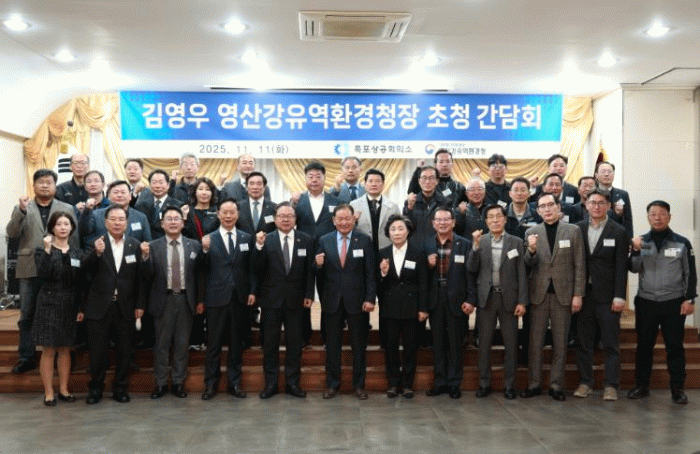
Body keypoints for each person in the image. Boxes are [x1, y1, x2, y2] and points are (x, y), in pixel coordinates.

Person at [6, 169, 78, 374]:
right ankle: (26, 356)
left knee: (62, 310)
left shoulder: (66, 208)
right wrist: (21, 211)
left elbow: (74, 238)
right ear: (34, 185)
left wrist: (73, 265)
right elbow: (12, 233)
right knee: (27, 314)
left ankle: (64, 353)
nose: (45, 185)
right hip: (30, 267)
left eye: (49, 182)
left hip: (59, 269)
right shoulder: (22, 207)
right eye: (41, 182)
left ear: (55, 186)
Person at [628, 200, 696, 405]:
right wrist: (635, 250)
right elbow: (633, 268)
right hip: (646, 302)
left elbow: (690, 274)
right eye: (653, 214)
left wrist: (689, 299)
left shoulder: (682, 243)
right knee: (644, 346)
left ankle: (677, 389)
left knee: (674, 347)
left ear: (669, 216)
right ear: (648, 217)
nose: (657, 217)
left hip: (673, 302)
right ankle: (642, 386)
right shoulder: (642, 242)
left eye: (662, 213)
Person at [521, 193, 585, 401]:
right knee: (535, 344)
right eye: (542, 206)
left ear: (558, 207)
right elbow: (526, 265)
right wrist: (531, 250)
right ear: (538, 211)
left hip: (563, 296)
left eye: (550, 205)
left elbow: (580, 265)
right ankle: (534, 384)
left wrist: (578, 294)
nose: (547, 209)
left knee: (560, 343)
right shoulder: (531, 232)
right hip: (538, 296)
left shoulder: (573, 231)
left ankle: (556, 385)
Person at [81, 205, 145, 404]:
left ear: (127, 223)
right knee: (98, 352)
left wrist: (140, 304)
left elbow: (141, 279)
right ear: (106, 222)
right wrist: (96, 253)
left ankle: (120, 388)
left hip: (126, 307)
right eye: (113, 219)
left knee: (125, 352)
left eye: (121, 219)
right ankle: (95, 389)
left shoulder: (135, 245)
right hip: (99, 306)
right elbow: (84, 270)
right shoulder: (95, 243)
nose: (117, 223)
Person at [251, 202, 315, 399]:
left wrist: (309, 294)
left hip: (296, 301)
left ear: (295, 219)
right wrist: (258, 247)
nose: (286, 219)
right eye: (282, 216)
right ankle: (270, 384)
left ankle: (292, 384)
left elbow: (310, 271)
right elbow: (256, 269)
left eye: (290, 216)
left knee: (294, 345)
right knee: (270, 344)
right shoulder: (266, 240)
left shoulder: (306, 239)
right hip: (271, 301)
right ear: (275, 219)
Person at [141, 206, 204, 400]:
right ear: (162, 224)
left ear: (183, 223)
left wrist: (200, 300)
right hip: (163, 300)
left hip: (186, 299)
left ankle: (178, 382)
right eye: (169, 219)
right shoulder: (152, 246)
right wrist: (145, 258)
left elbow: (200, 275)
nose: (173, 222)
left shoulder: (194, 245)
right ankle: (160, 383)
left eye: (177, 218)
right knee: (161, 344)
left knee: (182, 344)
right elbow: (146, 276)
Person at [573, 189, 629, 401]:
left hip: (608, 297)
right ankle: (585, 382)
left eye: (601, 203)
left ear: (608, 206)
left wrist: (619, 296)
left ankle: (611, 385)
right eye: (592, 202)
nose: (596, 206)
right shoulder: (577, 229)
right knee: (584, 343)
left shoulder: (619, 231)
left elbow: (621, 266)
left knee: (610, 343)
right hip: (583, 295)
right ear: (586, 205)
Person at [315, 204, 376, 399]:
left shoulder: (364, 240)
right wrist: (317, 266)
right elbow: (318, 274)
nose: (344, 222)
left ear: (354, 219)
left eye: (347, 218)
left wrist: (370, 298)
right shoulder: (324, 240)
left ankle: (359, 385)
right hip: (332, 301)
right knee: (332, 346)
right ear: (334, 221)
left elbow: (371, 273)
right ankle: (332, 385)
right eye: (340, 219)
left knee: (359, 346)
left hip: (358, 301)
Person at [468, 205, 528, 400]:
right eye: (491, 217)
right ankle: (484, 383)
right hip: (486, 298)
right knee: (484, 345)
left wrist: (522, 301)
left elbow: (522, 273)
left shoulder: (516, 242)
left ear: (505, 219)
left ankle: (510, 386)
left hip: (509, 299)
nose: (495, 220)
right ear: (486, 221)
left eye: (498, 216)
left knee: (511, 345)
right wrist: (475, 246)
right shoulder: (481, 241)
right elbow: (471, 267)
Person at [200, 198, 255, 400]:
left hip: (239, 298)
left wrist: (252, 291)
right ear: (218, 214)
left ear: (238, 215)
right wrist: (204, 250)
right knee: (213, 344)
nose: (229, 216)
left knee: (236, 344)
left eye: (232, 212)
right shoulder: (208, 239)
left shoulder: (247, 238)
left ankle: (234, 383)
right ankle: (210, 384)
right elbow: (201, 270)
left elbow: (251, 269)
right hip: (216, 298)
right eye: (225, 212)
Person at [32, 212, 83, 406]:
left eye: (66, 224)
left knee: (65, 348)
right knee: (49, 349)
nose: (63, 227)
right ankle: (48, 392)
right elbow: (42, 273)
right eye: (59, 224)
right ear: (52, 228)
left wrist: (81, 306)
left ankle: (63, 389)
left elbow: (80, 282)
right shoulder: (42, 250)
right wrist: (47, 250)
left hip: (70, 303)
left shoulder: (77, 252)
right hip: (48, 302)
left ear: (72, 228)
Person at [424, 207, 476, 399]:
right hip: (435, 297)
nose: (442, 223)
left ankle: (454, 383)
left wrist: (471, 299)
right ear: (433, 223)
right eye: (439, 220)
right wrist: (428, 266)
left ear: (454, 222)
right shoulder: (427, 244)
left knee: (455, 343)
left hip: (457, 299)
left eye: (447, 219)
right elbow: (421, 276)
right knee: (437, 343)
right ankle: (440, 383)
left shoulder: (465, 244)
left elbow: (471, 274)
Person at [377, 215, 428, 398]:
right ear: (388, 233)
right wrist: (383, 274)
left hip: (412, 308)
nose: (396, 232)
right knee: (390, 348)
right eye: (393, 229)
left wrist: (423, 308)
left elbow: (423, 283)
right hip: (390, 308)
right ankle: (392, 384)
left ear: (408, 231)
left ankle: (407, 384)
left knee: (410, 348)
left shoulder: (418, 253)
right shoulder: (382, 253)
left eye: (400, 229)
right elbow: (378, 285)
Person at [293, 161, 340, 344]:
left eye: (318, 176)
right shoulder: (297, 201)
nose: (314, 180)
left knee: (327, 295)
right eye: (310, 176)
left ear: (324, 178)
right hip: (302, 254)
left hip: (327, 254)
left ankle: (327, 335)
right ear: (305, 179)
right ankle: (303, 335)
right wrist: (291, 202)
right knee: (302, 294)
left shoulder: (335, 201)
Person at [79, 180, 152, 248]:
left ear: (130, 196)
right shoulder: (96, 215)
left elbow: (147, 242)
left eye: (123, 192)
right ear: (108, 196)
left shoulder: (141, 217)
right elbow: (86, 238)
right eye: (116, 192)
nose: (119, 195)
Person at [404, 166, 448, 247]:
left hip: (437, 247)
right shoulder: (411, 201)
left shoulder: (445, 202)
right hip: (415, 247)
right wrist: (409, 208)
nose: (427, 182)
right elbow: (406, 227)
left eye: (431, 178)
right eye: (424, 178)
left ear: (437, 181)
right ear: (419, 181)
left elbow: (447, 228)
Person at [134, 169, 184, 239]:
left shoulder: (178, 205)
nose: (157, 186)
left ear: (168, 185)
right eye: (154, 182)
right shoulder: (141, 205)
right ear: (150, 185)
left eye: (161, 182)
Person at [594, 161, 633, 238]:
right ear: (596, 175)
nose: (606, 174)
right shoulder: (592, 194)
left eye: (609, 172)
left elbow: (628, 220)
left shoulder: (623, 195)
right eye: (603, 171)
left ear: (613, 175)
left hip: (617, 236)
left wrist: (629, 240)